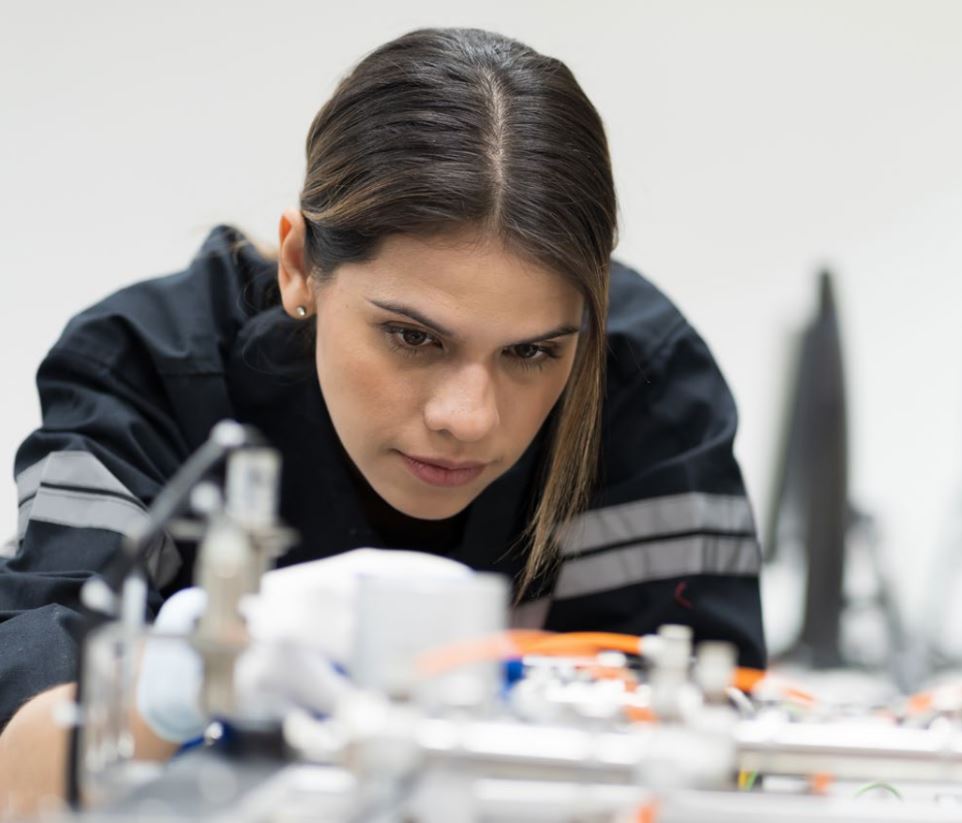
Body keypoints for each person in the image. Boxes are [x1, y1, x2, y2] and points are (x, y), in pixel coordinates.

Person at [0, 27, 764, 810]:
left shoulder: (644, 382)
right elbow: (16, 777)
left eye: (532, 353)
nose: (467, 418)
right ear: (298, 265)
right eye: (412, 336)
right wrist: (174, 688)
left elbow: (713, 770)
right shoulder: (146, 366)